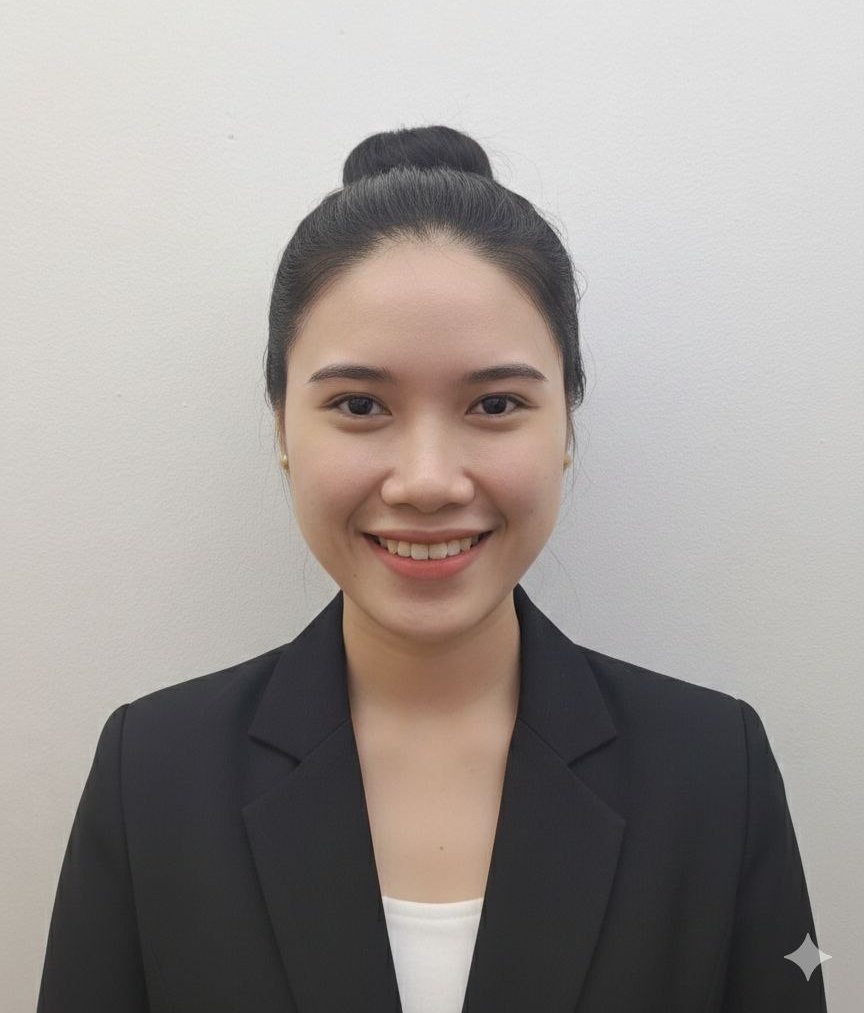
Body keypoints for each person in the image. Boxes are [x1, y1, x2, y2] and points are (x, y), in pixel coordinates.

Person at [37, 125, 828, 1012]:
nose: (426, 482)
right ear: (281, 425)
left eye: (494, 404)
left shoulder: (715, 772)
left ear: (565, 427)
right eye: (359, 404)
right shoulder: (152, 776)